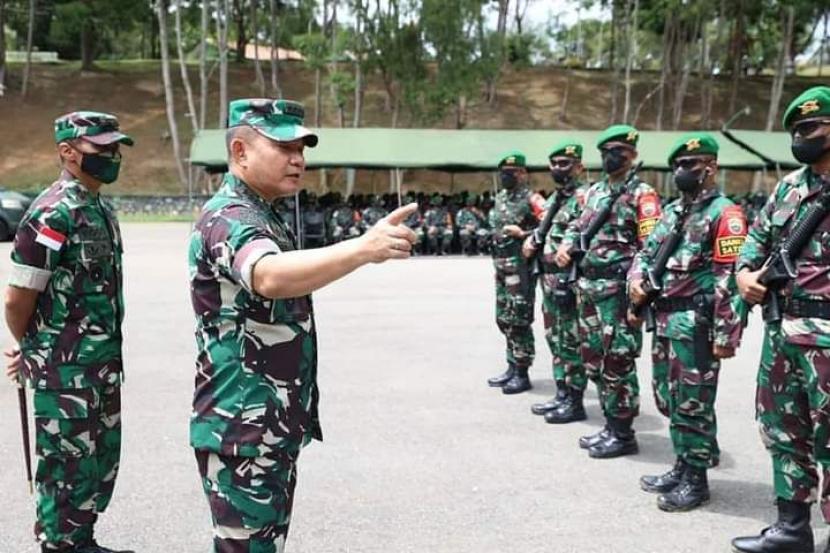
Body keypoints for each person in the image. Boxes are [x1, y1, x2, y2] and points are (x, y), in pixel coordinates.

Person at [188, 98, 417, 553]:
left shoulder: (263, 212)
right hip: (242, 427)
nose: (298, 160)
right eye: (284, 147)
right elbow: (269, 275)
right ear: (240, 152)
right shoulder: (229, 216)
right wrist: (362, 248)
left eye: (302, 149)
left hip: (267, 423)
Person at [4, 112, 134, 553]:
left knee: (94, 465)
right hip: (64, 373)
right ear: (67, 152)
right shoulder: (51, 213)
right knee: (64, 467)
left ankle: (82, 541)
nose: (113, 156)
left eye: (116, 148)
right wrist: (35, 349)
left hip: (100, 368)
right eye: (102, 149)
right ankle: (61, 546)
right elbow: (17, 299)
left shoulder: (98, 209)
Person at [731, 86, 830, 553]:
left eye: (810, 128)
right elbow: (754, 242)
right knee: (781, 430)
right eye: (795, 131)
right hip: (783, 333)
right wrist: (745, 276)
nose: (801, 137)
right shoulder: (791, 187)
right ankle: (792, 529)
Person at [629, 133, 745, 512]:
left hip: (696, 321)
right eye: (677, 166)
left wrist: (727, 332)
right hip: (664, 317)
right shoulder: (674, 211)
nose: (681, 172)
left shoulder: (725, 214)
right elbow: (645, 253)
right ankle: (681, 463)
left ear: (710, 167)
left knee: (693, 401)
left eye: (689, 165)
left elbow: (730, 276)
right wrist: (635, 281)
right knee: (669, 396)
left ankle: (696, 478)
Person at [555, 124, 661, 458]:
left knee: (618, 360)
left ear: (633, 156)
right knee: (594, 360)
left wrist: (638, 285)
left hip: (617, 290)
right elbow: (576, 225)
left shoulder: (644, 194)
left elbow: (652, 244)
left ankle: (623, 432)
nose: (612, 157)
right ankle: (610, 423)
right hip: (587, 286)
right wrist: (567, 245)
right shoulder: (592, 192)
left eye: (620, 151)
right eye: (607, 151)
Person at [523, 140, 590, 423]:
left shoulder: (585, 198)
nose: (558, 169)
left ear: (579, 167)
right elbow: (544, 230)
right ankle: (562, 393)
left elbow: (586, 233)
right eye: (554, 164)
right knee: (556, 338)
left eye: (565, 164)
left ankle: (575, 401)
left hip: (568, 280)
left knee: (571, 340)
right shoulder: (553, 199)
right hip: (548, 278)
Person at [486, 151, 546, 394]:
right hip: (502, 267)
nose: (507, 177)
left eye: (512, 173)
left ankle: (522, 371)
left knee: (519, 318)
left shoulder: (534, 199)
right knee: (504, 318)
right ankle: (511, 365)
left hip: (520, 269)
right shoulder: (500, 198)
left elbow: (549, 227)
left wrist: (523, 234)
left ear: (523, 173)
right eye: (503, 173)